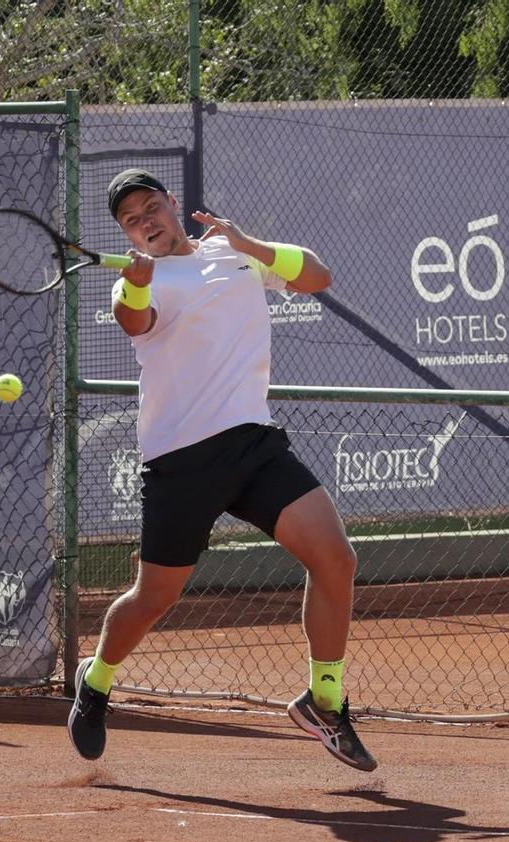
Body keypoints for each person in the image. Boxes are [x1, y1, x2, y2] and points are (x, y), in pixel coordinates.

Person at [66, 170, 376, 771]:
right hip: (180, 460)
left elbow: (317, 276)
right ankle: (98, 677)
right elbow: (135, 322)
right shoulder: (142, 281)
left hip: (253, 444)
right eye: (132, 219)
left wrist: (250, 244)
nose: (146, 222)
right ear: (126, 232)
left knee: (336, 558)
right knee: (155, 596)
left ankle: (325, 699)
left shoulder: (232, 255)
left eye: (152, 207)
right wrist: (133, 286)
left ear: (172, 205)